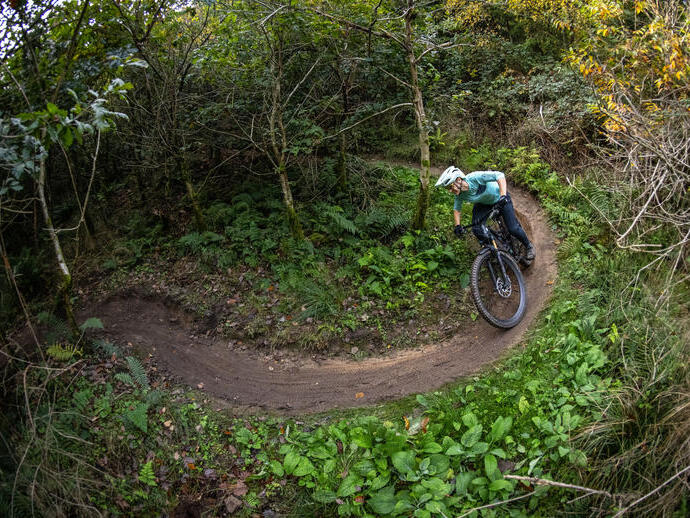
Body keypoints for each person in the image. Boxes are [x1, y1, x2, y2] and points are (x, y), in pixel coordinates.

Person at [435, 166, 535, 262]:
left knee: (513, 228)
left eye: (450, 186)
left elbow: (499, 175)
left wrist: (503, 196)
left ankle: (528, 246)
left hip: (499, 197)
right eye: (448, 188)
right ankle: (494, 252)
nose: (450, 191)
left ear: (459, 180)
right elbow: (457, 209)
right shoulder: (460, 195)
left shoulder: (475, 178)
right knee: (477, 229)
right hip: (483, 204)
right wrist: (457, 226)